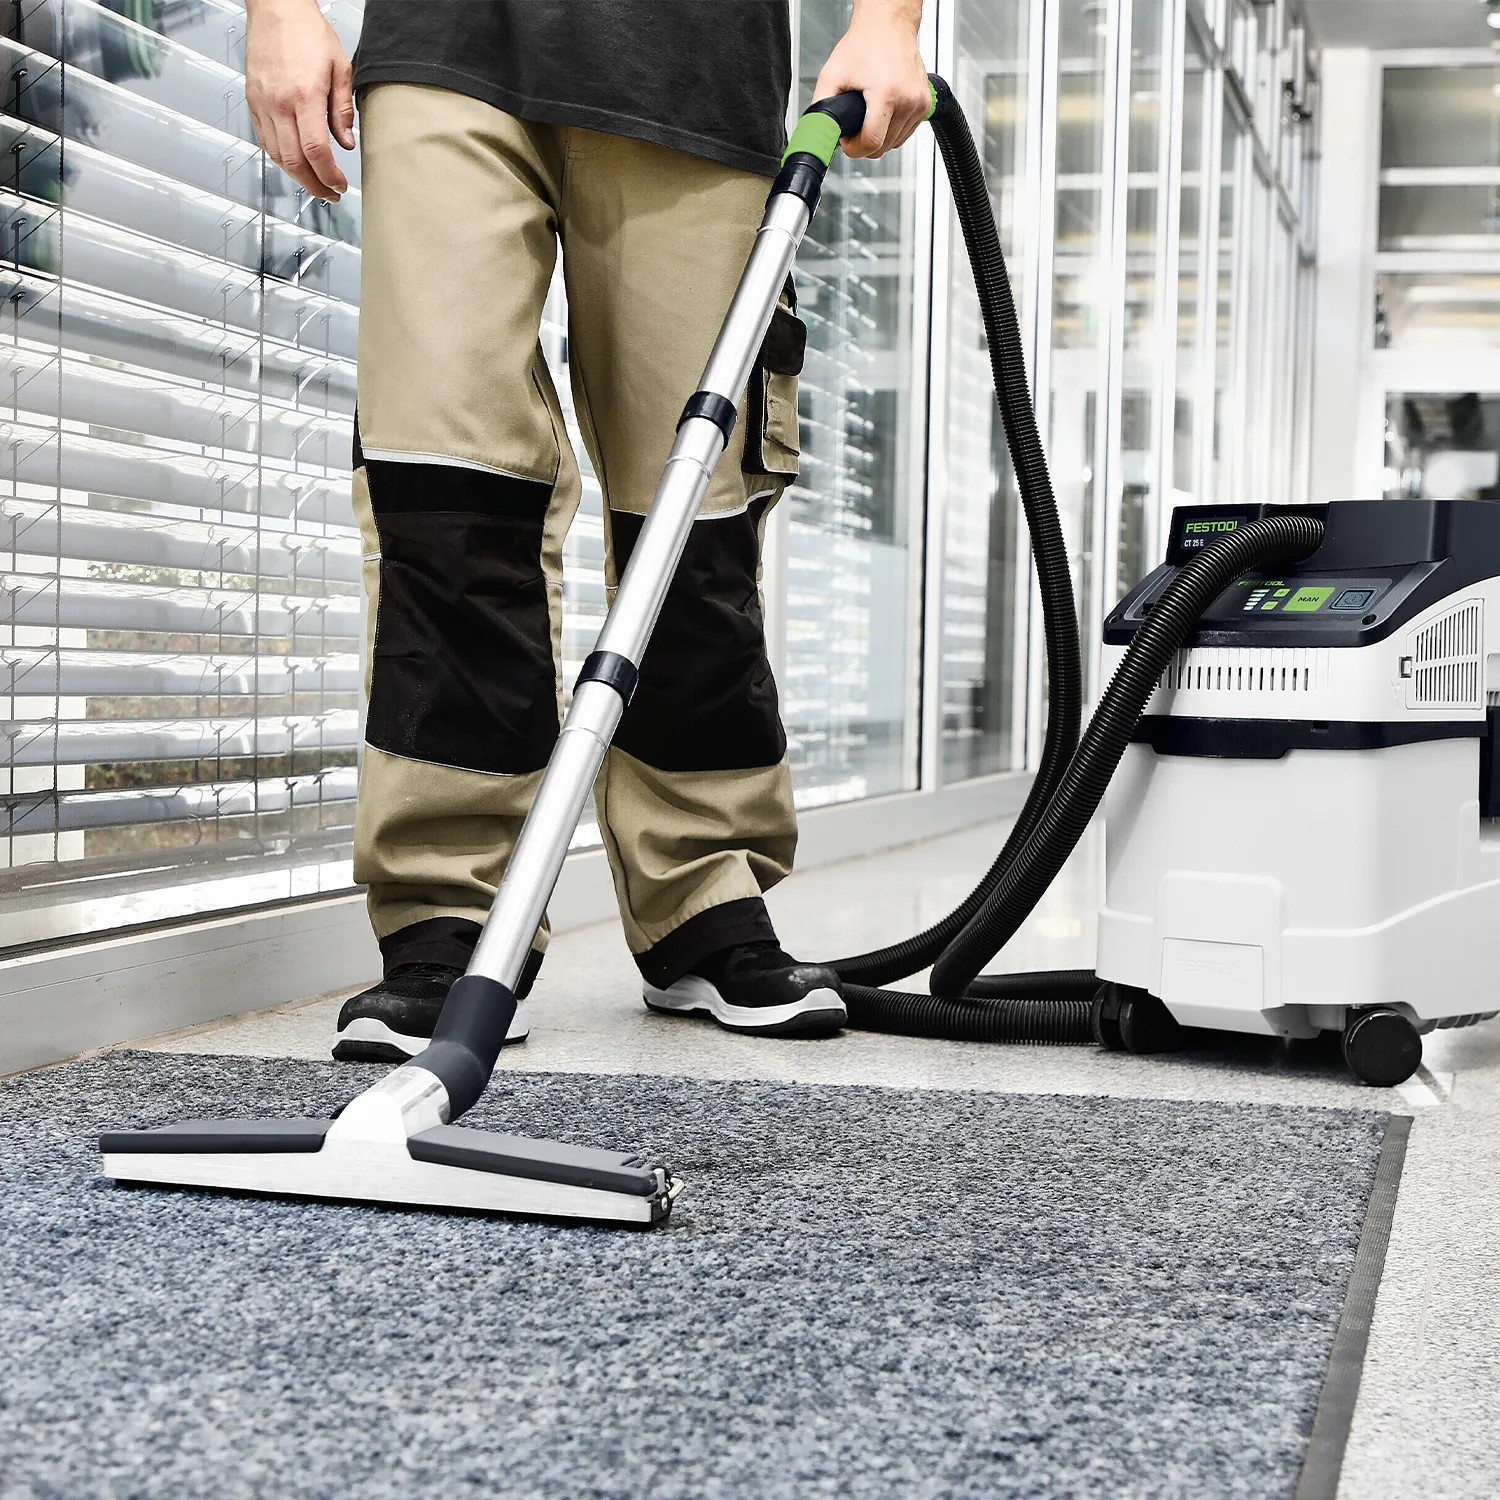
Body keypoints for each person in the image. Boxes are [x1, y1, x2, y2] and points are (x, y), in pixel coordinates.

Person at [243, 0, 929, 1059]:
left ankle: (702, 894)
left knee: (691, 514)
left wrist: (889, 22)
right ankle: (449, 913)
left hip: (699, 64)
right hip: (444, 46)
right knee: (448, 492)